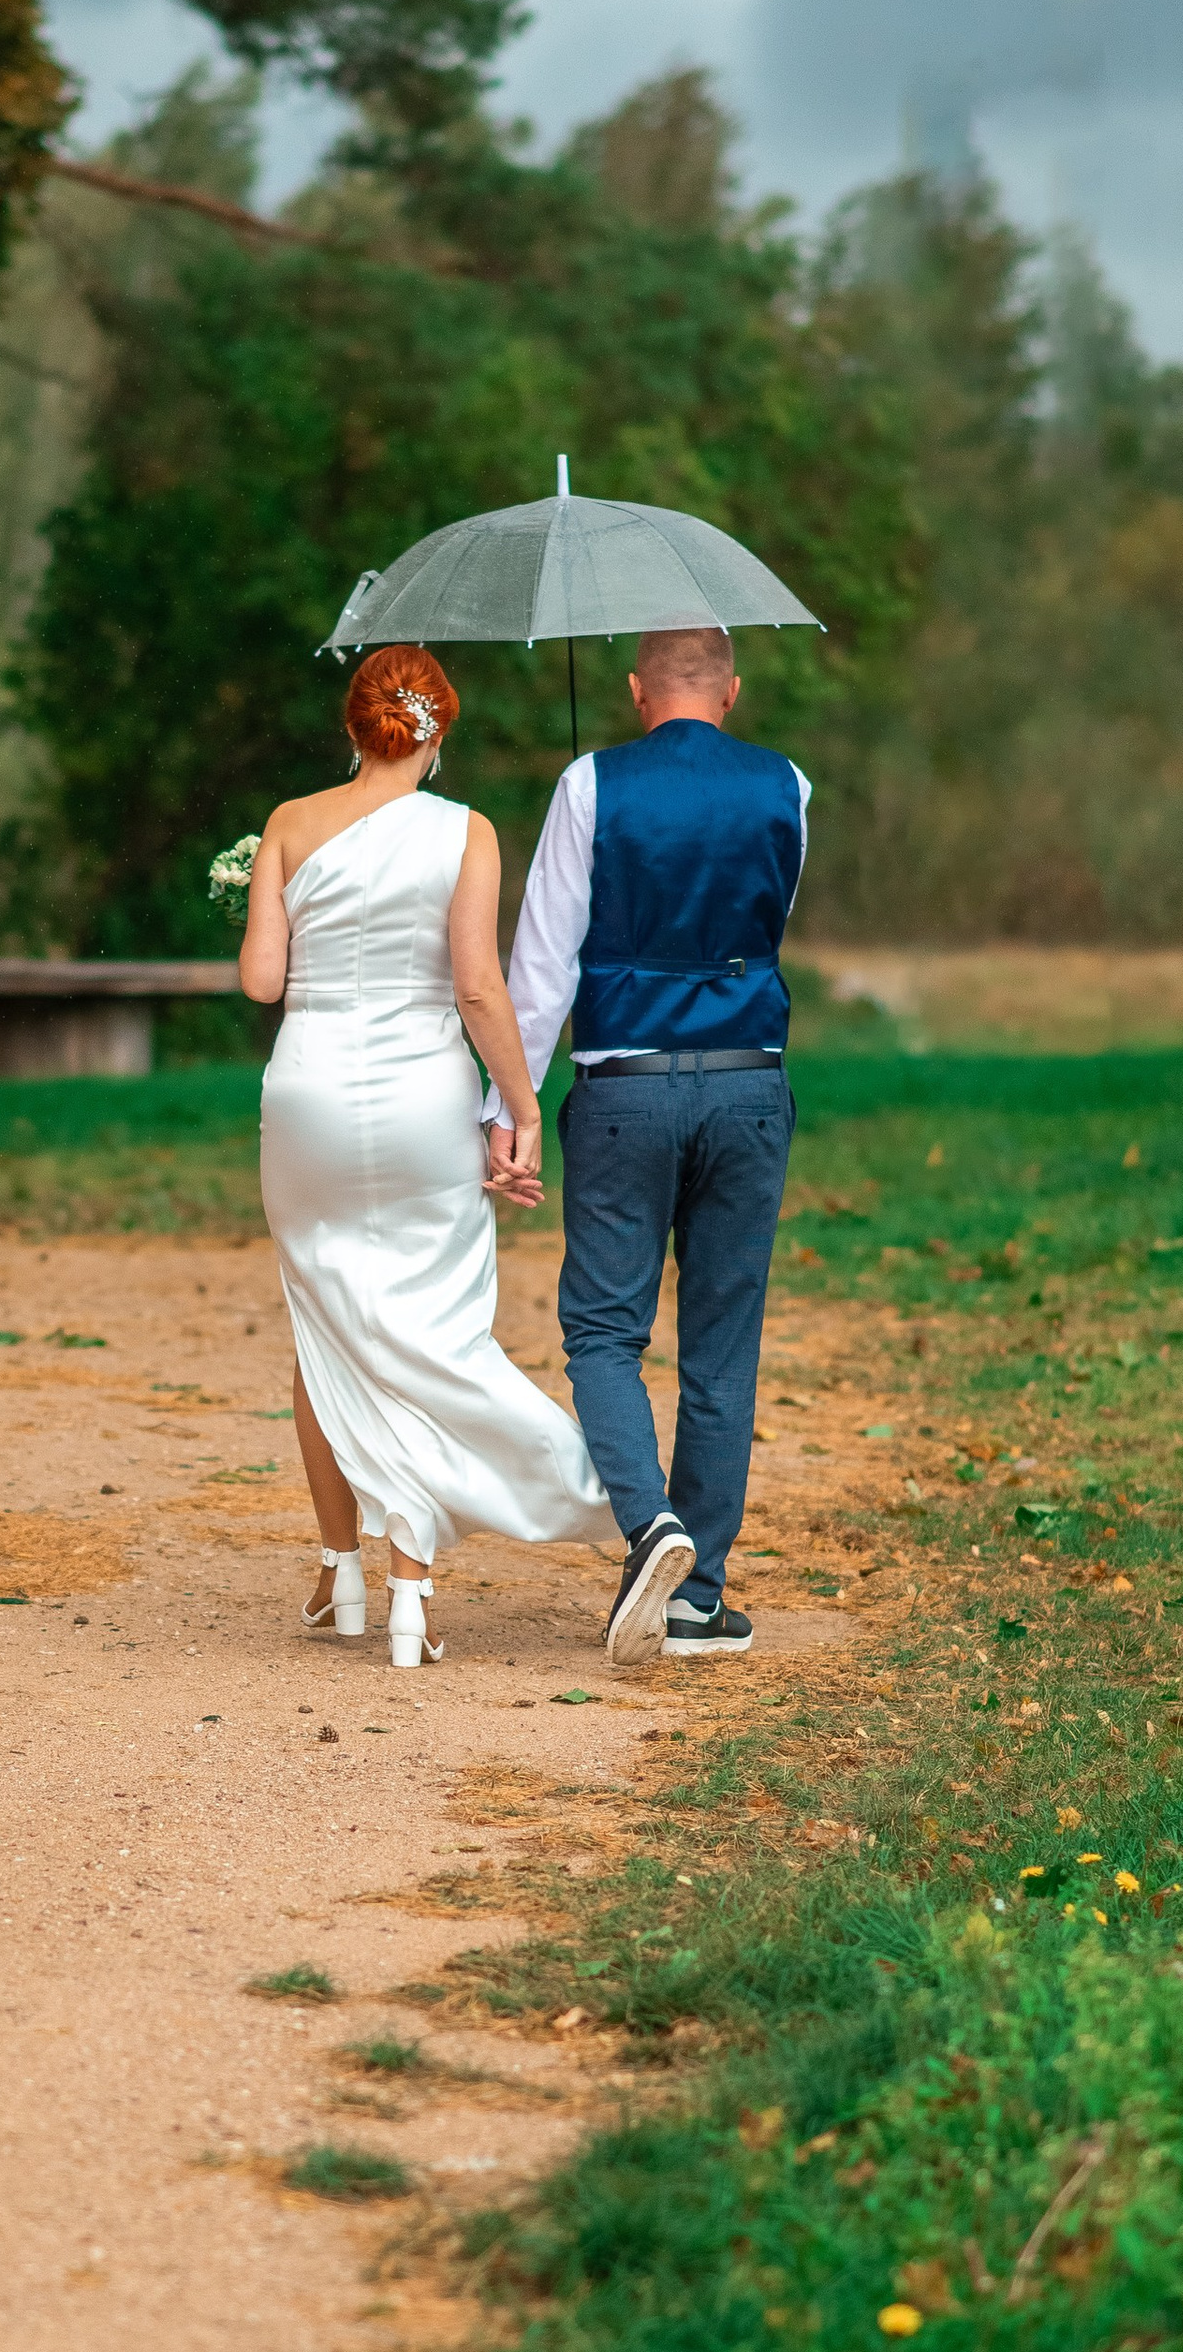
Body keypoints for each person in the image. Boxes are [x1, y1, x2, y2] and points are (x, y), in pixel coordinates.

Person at [238, 643, 616, 1671]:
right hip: (420, 1095)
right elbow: (478, 987)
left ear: (351, 727)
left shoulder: (287, 824)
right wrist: (523, 1108)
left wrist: (261, 894)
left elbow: (263, 983)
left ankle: (338, 1573)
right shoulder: (467, 832)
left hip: (310, 1087)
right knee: (427, 1323)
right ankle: (413, 1588)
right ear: (434, 729)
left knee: (325, 1324)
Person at [486, 623, 807, 1666]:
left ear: (634, 690)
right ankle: (694, 1597)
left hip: (625, 1086)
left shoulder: (591, 785)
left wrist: (511, 1105)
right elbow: (764, 922)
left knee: (602, 1331)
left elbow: (542, 965)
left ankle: (649, 1523)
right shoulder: (787, 786)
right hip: (748, 1083)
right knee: (722, 1346)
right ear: (732, 690)